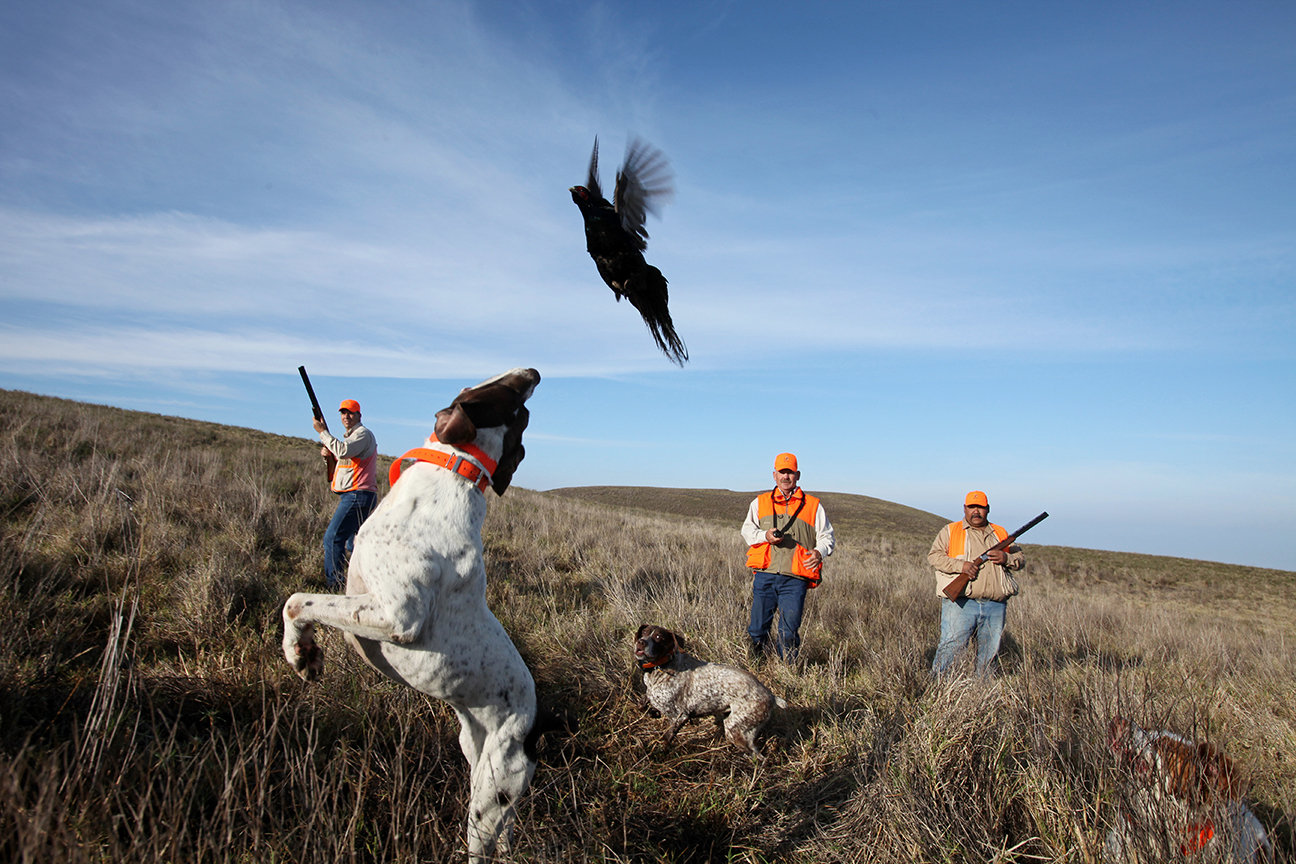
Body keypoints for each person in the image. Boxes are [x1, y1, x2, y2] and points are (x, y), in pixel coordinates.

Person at [741, 453, 835, 660]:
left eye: (790, 473)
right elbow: (747, 531)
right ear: (774, 475)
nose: (786, 477)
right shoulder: (760, 502)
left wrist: (820, 552)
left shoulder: (813, 506)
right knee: (757, 629)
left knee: (789, 632)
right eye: (782, 472)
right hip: (765, 575)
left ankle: (787, 673)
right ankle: (757, 667)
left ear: (797, 475)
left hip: (795, 578)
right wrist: (764, 536)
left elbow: (827, 537)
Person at [927, 490, 1024, 675]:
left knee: (989, 655)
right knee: (950, 650)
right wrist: (961, 566)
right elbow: (934, 557)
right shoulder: (951, 530)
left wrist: (1006, 557)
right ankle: (938, 691)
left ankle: (982, 694)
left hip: (995, 605)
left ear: (987, 509)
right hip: (961, 603)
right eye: (972, 507)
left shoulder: (1000, 533)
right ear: (965, 509)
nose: (976, 511)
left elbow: (1020, 558)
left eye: (980, 507)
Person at [313, 398, 378, 590]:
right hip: (358, 495)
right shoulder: (351, 438)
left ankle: (335, 585)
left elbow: (343, 451)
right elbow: (342, 461)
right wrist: (329, 457)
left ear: (359, 415)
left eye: (350, 412)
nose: (346, 416)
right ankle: (363, 583)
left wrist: (322, 432)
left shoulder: (362, 434)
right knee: (354, 544)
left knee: (333, 538)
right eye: (343, 413)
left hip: (358, 495)